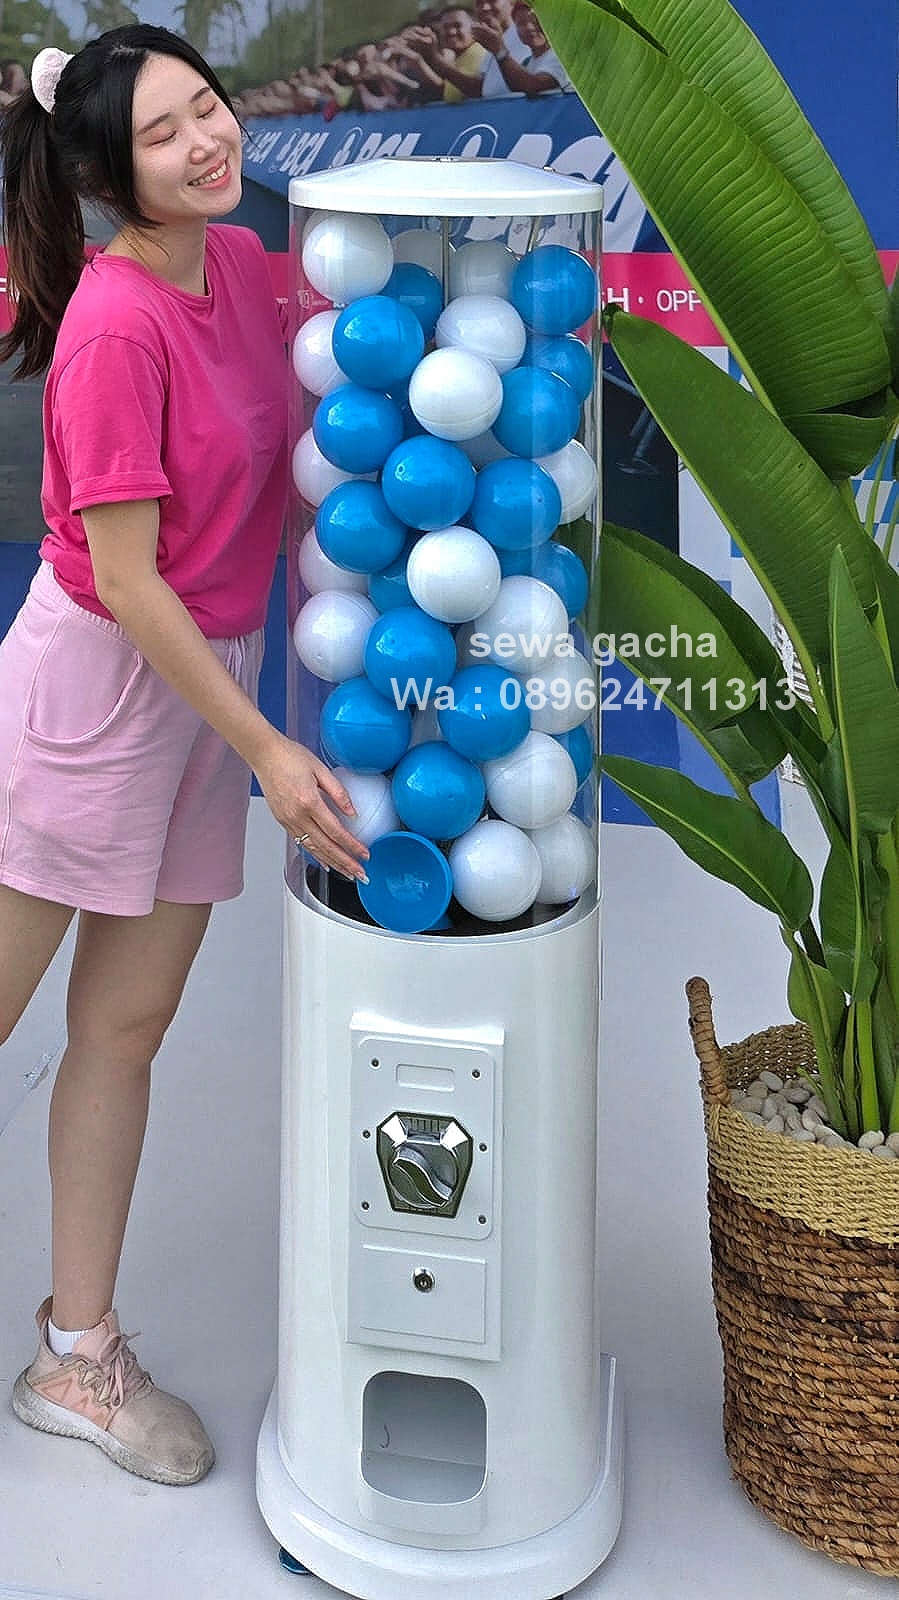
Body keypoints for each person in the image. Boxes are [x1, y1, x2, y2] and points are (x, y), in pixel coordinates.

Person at [0, 25, 368, 1488]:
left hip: (208, 693)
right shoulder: (113, 325)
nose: (206, 142)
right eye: (163, 134)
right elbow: (129, 580)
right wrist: (271, 746)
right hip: (104, 690)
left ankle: (75, 1356)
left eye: (205, 108)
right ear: (107, 174)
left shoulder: (247, 266)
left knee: (126, 1028)